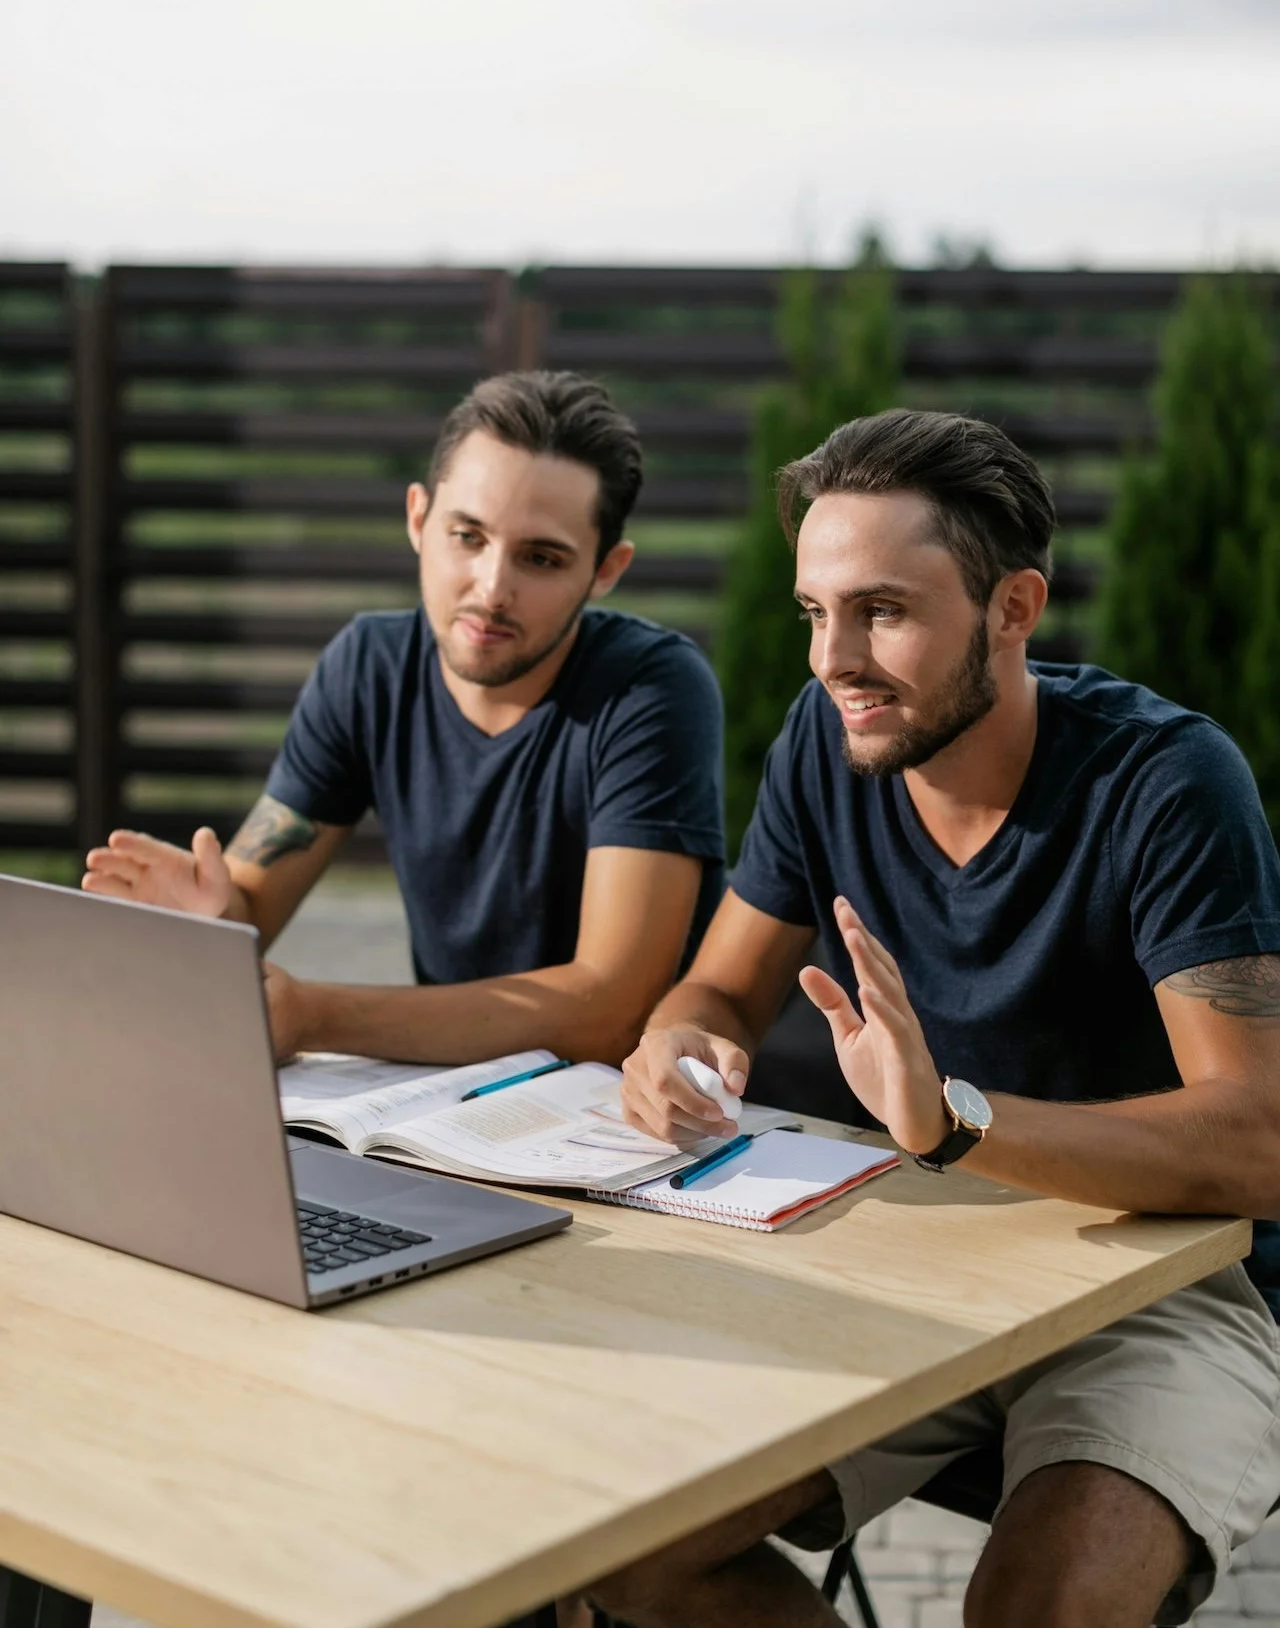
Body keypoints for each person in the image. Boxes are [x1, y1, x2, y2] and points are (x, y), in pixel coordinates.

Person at [600, 408, 1280, 1628]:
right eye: (817, 612)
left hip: (1170, 1285)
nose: (833, 658)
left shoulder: (1167, 783)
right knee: (624, 1546)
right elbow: (714, 990)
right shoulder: (828, 740)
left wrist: (956, 1122)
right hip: (919, 1262)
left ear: (1012, 608)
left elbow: (1259, 1143)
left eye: (883, 611)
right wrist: (676, 1045)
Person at [82, 371, 725, 1067]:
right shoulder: (368, 667)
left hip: (641, 1125)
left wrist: (315, 1016)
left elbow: (611, 1010)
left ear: (606, 570)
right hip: (453, 1105)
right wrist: (209, 922)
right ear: (419, 519)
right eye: (468, 536)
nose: (492, 588)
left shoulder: (650, 689)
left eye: (540, 558)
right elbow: (245, 912)